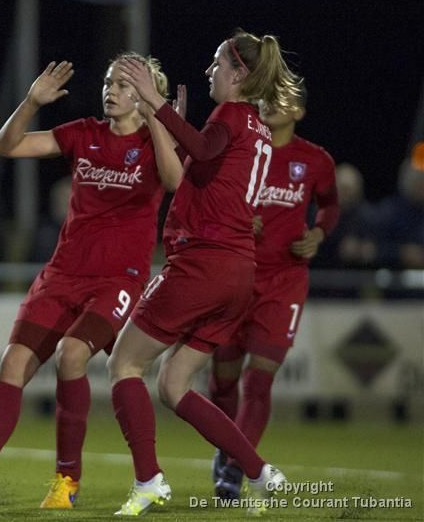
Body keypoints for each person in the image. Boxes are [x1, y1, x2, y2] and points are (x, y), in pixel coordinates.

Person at [0, 54, 184, 509]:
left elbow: (174, 181)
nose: (111, 90)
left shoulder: (154, 142)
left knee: (71, 354)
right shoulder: (83, 133)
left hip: (117, 279)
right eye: (109, 82)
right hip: (61, 274)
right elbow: (7, 146)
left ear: (145, 94)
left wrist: (158, 119)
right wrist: (30, 101)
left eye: (124, 86)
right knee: (12, 366)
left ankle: (67, 480)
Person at [107, 29, 302, 516]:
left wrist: (155, 100)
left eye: (218, 64)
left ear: (239, 73)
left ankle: (149, 480)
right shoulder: (253, 125)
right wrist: (163, 116)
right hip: (238, 272)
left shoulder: (232, 113)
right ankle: (259, 472)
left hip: (204, 263)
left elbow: (204, 150)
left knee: (123, 364)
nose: (209, 71)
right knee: (174, 386)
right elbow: (186, 173)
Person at [207, 81, 340, 499]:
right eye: (266, 96)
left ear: (299, 112)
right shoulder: (242, 149)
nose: (270, 104)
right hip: (234, 275)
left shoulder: (315, 160)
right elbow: (209, 194)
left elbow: (331, 205)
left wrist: (318, 233)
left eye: (283, 99)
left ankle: (232, 466)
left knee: (259, 382)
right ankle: (226, 444)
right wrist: (237, 218)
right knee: (222, 380)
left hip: (284, 281)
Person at [315, 162, 377, 268]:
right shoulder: (316, 216)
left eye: (350, 190)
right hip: (323, 276)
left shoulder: (369, 217)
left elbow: (379, 244)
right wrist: (338, 248)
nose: (347, 194)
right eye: (343, 189)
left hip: (359, 277)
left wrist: (366, 250)